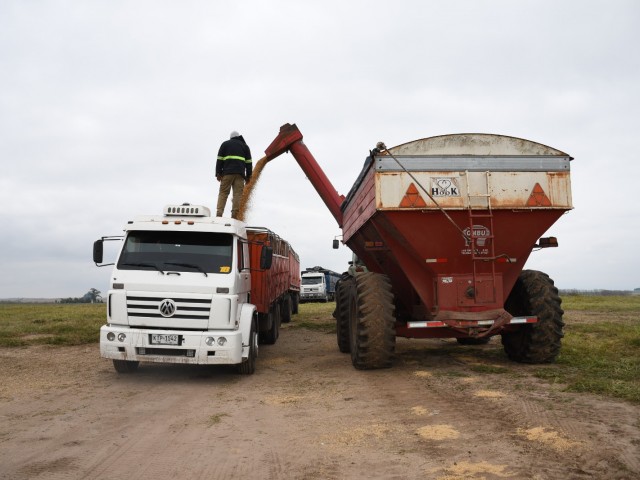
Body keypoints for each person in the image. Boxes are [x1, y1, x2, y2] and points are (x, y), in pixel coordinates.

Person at [215, 131, 252, 219]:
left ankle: (219, 214)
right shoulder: (245, 146)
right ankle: (234, 216)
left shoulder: (225, 144)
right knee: (237, 195)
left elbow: (219, 160)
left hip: (227, 174)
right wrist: (248, 176)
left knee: (223, 193)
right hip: (240, 175)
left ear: (231, 137)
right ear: (238, 137)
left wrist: (218, 173)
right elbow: (249, 163)